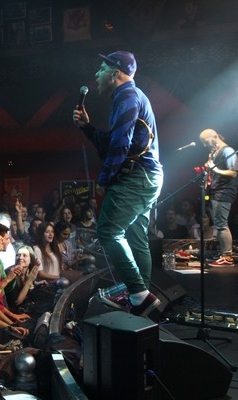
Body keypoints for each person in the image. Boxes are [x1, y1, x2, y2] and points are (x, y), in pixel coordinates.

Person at [73, 50, 164, 317]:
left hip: (136, 177)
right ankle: (140, 296)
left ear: (115, 73)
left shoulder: (127, 97)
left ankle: (139, 294)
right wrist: (88, 127)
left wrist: (104, 179)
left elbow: (120, 146)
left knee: (109, 232)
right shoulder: (132, 97)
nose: (97, 74)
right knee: (136, 237)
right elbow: (116, 142)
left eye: (102, 69)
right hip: (147, 176)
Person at [199, 128, 238, 266]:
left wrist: (215, 169)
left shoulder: (227, 151)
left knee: (221, 224)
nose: (205, 145)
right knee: (218, 224)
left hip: (224, 191)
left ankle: (227, 256)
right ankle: (222, 253)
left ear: (214, 137)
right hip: (217, 191)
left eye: (205, 142)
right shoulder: (216, 152)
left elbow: (233, 172)